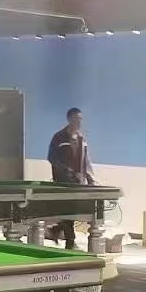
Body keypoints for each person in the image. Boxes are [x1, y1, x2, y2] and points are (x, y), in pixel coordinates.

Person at [46, 107, 95, 250]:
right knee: (67, 209)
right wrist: (67, 172)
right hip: (63, 182)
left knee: (72, 211)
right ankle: (70, 241)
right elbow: (52, 158)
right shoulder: (59, 137)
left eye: (80, 119)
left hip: (77, 182)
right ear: (69, 119)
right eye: (76, 119)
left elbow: (86, 161)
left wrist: (90, 178)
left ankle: (57, 231)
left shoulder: (81, 139)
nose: (79, 122)